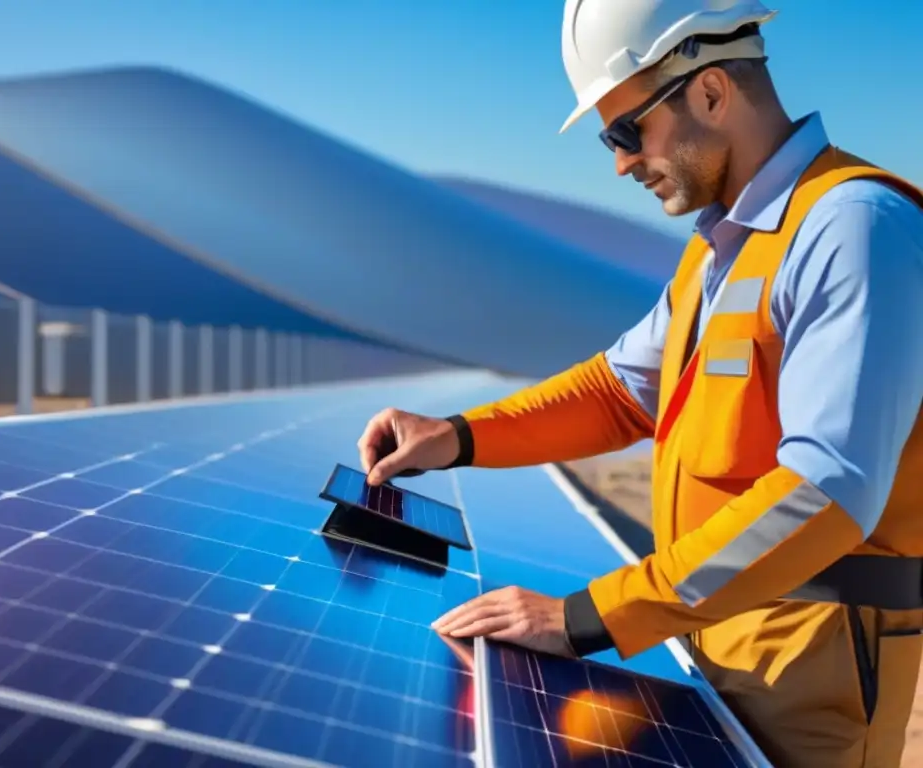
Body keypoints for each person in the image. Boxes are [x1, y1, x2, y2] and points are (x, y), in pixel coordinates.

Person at [357, 1, 923, 766]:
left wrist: (590, 617)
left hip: (810, 675)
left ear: (712, 92)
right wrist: (457, 437)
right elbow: (621, 391)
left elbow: (826, 489)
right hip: (710, 636)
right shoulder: (724, 248)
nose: (620, 162)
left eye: (628, 132)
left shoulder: (854, 227)